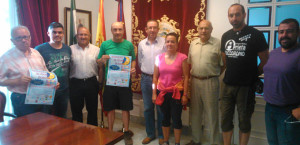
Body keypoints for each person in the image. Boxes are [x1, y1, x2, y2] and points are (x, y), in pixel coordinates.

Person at [220, 4, 269, 145]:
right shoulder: (226, 36)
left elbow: (265, 60)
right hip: (227, 85)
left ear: (244, 15)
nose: (234, 18)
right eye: (231, 15)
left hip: (246, 87)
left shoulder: (256, 34)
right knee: (225, 120)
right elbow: (225, 60)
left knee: (244, 121)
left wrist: (253, 75)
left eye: (237, 14)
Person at [97, 22, 136, 145]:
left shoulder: (129, 45)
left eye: (120, 29)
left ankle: (126, 131)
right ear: (111, 30)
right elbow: (98, 61)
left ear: (123, 30)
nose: (118, 32)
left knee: (126, 108)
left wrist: (133, 68)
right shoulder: (105, 44)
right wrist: (102, 60)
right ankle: (110, 132)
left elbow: (133, 60)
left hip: (124, 81)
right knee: (110, 107)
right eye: (115, 29)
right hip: (110, 82)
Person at [186, 20, 224, 145]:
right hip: (195, 81)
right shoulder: (193, 43)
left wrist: (213, 73)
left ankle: (215, 142)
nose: (203, 31)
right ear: (198, 29)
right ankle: (196, 140)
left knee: (212, 114)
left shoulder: (218, 43)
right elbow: (189, 62)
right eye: (201, 28)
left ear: (211, 29)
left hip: (210, 82)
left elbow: (223, 64)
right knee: (195, 114)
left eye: (206, 28)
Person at [263, 18, 300, 145]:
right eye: (281, 32)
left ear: (297, 33)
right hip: (269, 109)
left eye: (289, 31)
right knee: (272, 142)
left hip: (289, 111)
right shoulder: (274, 53)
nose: (284, 35)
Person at [0, 26, 48, 117]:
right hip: (22, 98)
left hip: (42, 95)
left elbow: (45, 71)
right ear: (12, 40)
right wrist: (17, 81)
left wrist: (52, 83)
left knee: (43, 125)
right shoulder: (5, 58)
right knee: (26, 128)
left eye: (26, 37)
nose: (23, 40)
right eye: (19, 38)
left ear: (30, 38)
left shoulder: (36, 53)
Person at [152, 33, 189, 145]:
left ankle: (177, 143)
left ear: (177, 44)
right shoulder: (158, 58)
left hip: (176, 93)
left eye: (172, 41)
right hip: (162, 92)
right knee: (164, 118)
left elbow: (186, 77)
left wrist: (185, 95)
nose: (170, 43)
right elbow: (154, 77)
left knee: (177, 119)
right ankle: (166, 141)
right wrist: (154, 93)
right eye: (168, 41)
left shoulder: (183, 58)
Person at [35, 22, 72, 118]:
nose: (57, 35)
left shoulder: (67, 49)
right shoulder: (39, 49)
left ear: (63, 34)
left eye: (60, 32)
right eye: (54, 32)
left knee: (62, 116)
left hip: (63, 89)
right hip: (46, 90)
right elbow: (35, 70)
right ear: (48, 33)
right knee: (45, 117)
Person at [138, 19, 165, 145]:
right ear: (146, 29)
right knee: (148, 108)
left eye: (155, 27)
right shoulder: (141, 44)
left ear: (158, 29)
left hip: (161, 79)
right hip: (146, 79)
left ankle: (161, 134)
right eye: (150, 27)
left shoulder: (164, 42)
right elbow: (140, 61)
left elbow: (167, 60)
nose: (152, 30)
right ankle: (150, 134)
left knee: (160, 108)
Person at [69, 26, 100, 126]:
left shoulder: (97, 50)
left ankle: (92, 133)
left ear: (89, 36)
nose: (83, 37)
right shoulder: (70, 49)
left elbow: (101, 67)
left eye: (85, 34)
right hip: (75, 83)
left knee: (92, 110)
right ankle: (78, 134)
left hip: (91, 82)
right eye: (80, 34)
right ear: (76, 36)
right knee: (76, 110)